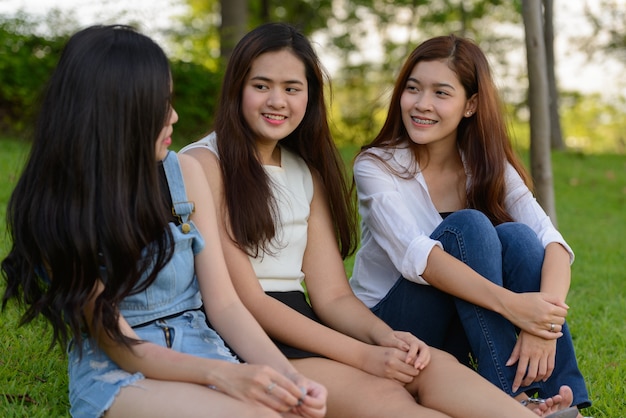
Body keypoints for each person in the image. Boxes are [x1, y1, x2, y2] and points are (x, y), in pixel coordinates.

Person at [182, 22, 579, 418]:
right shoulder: (204, 165)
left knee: (438, 365)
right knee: (390, 397)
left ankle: (542, 410)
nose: (277, 101)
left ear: (310, 97)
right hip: (247, 333)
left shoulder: (305, 172)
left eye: (292, 88)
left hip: (306, 319)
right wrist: (366, 354)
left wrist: (388, 339)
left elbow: (333, 296)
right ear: (237, 87)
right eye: (261, 85)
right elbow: (244, 301)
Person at [0, 25, 327, 418]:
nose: (173, 115)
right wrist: (224, 375)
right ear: (119, 109)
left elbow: (225, 306)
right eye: (159, 102)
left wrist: (287, 377)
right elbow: (120, 344)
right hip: (121, 372)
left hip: (203, 345)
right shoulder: (58, 208)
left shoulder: (185, 173)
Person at [349, 34, 591, 417]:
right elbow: (419, 258)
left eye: (441, 93)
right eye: (413, 89)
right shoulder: (377, 166)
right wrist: (514, 307)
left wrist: (541, 325)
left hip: (455, 327)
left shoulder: (487, 167)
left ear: (471, 105)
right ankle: (511, 399)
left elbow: (553, 244)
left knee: (520, 238)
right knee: (471, 228)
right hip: (391, 325)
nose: (421, 104)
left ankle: (561, 400)